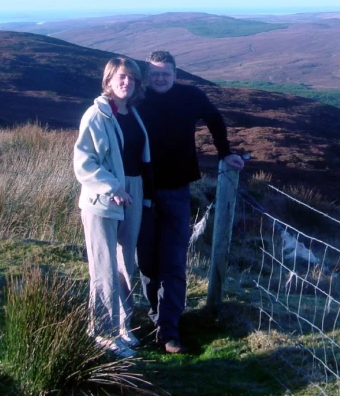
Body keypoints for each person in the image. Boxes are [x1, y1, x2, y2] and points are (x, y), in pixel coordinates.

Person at [137, 50, 244, 354]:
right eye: (155, 73)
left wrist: (225, 152)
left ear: (175, 73)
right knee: (146, 263)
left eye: (166, 73)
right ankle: (156, 316)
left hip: (176, 190)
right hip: (140, 192)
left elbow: (214, 118)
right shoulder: (137, 97)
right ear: (148, 74)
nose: (160, 78)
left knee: (174, 262)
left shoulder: (190, 96)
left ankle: (169, 330)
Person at [73, 57, 153, 359]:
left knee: (124, 264)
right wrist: (112, 187)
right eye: (121, 77)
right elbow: (83, 163)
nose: (126, 83)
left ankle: (122, 325)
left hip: (132, 192)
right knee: (103, 265)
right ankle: (103, 332)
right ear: (109, 80)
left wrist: (140, 191)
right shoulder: (96, 115)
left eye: (132, 79)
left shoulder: (132, 113)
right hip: (103, 197)